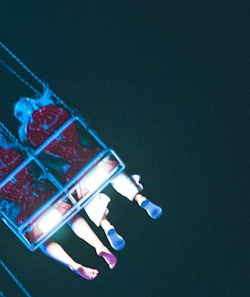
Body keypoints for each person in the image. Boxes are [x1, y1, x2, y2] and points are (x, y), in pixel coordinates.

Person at [0, 126, 117, 280]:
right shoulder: (14, 150)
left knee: (43, 240)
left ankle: (73, 264)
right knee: (72, 216)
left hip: (22, 214)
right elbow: (36, 164)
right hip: (42, 195)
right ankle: (99, 245)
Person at [13, 93, 163, 244]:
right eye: (20, 113)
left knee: (108, 173)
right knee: (88, 192)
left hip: (82, 156)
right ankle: (108, 226)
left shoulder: (53, 111)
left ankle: (141, 201)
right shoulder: (28, 132)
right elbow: (40, 159)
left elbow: (82, 125)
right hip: (73, 164)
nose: (25, 112)